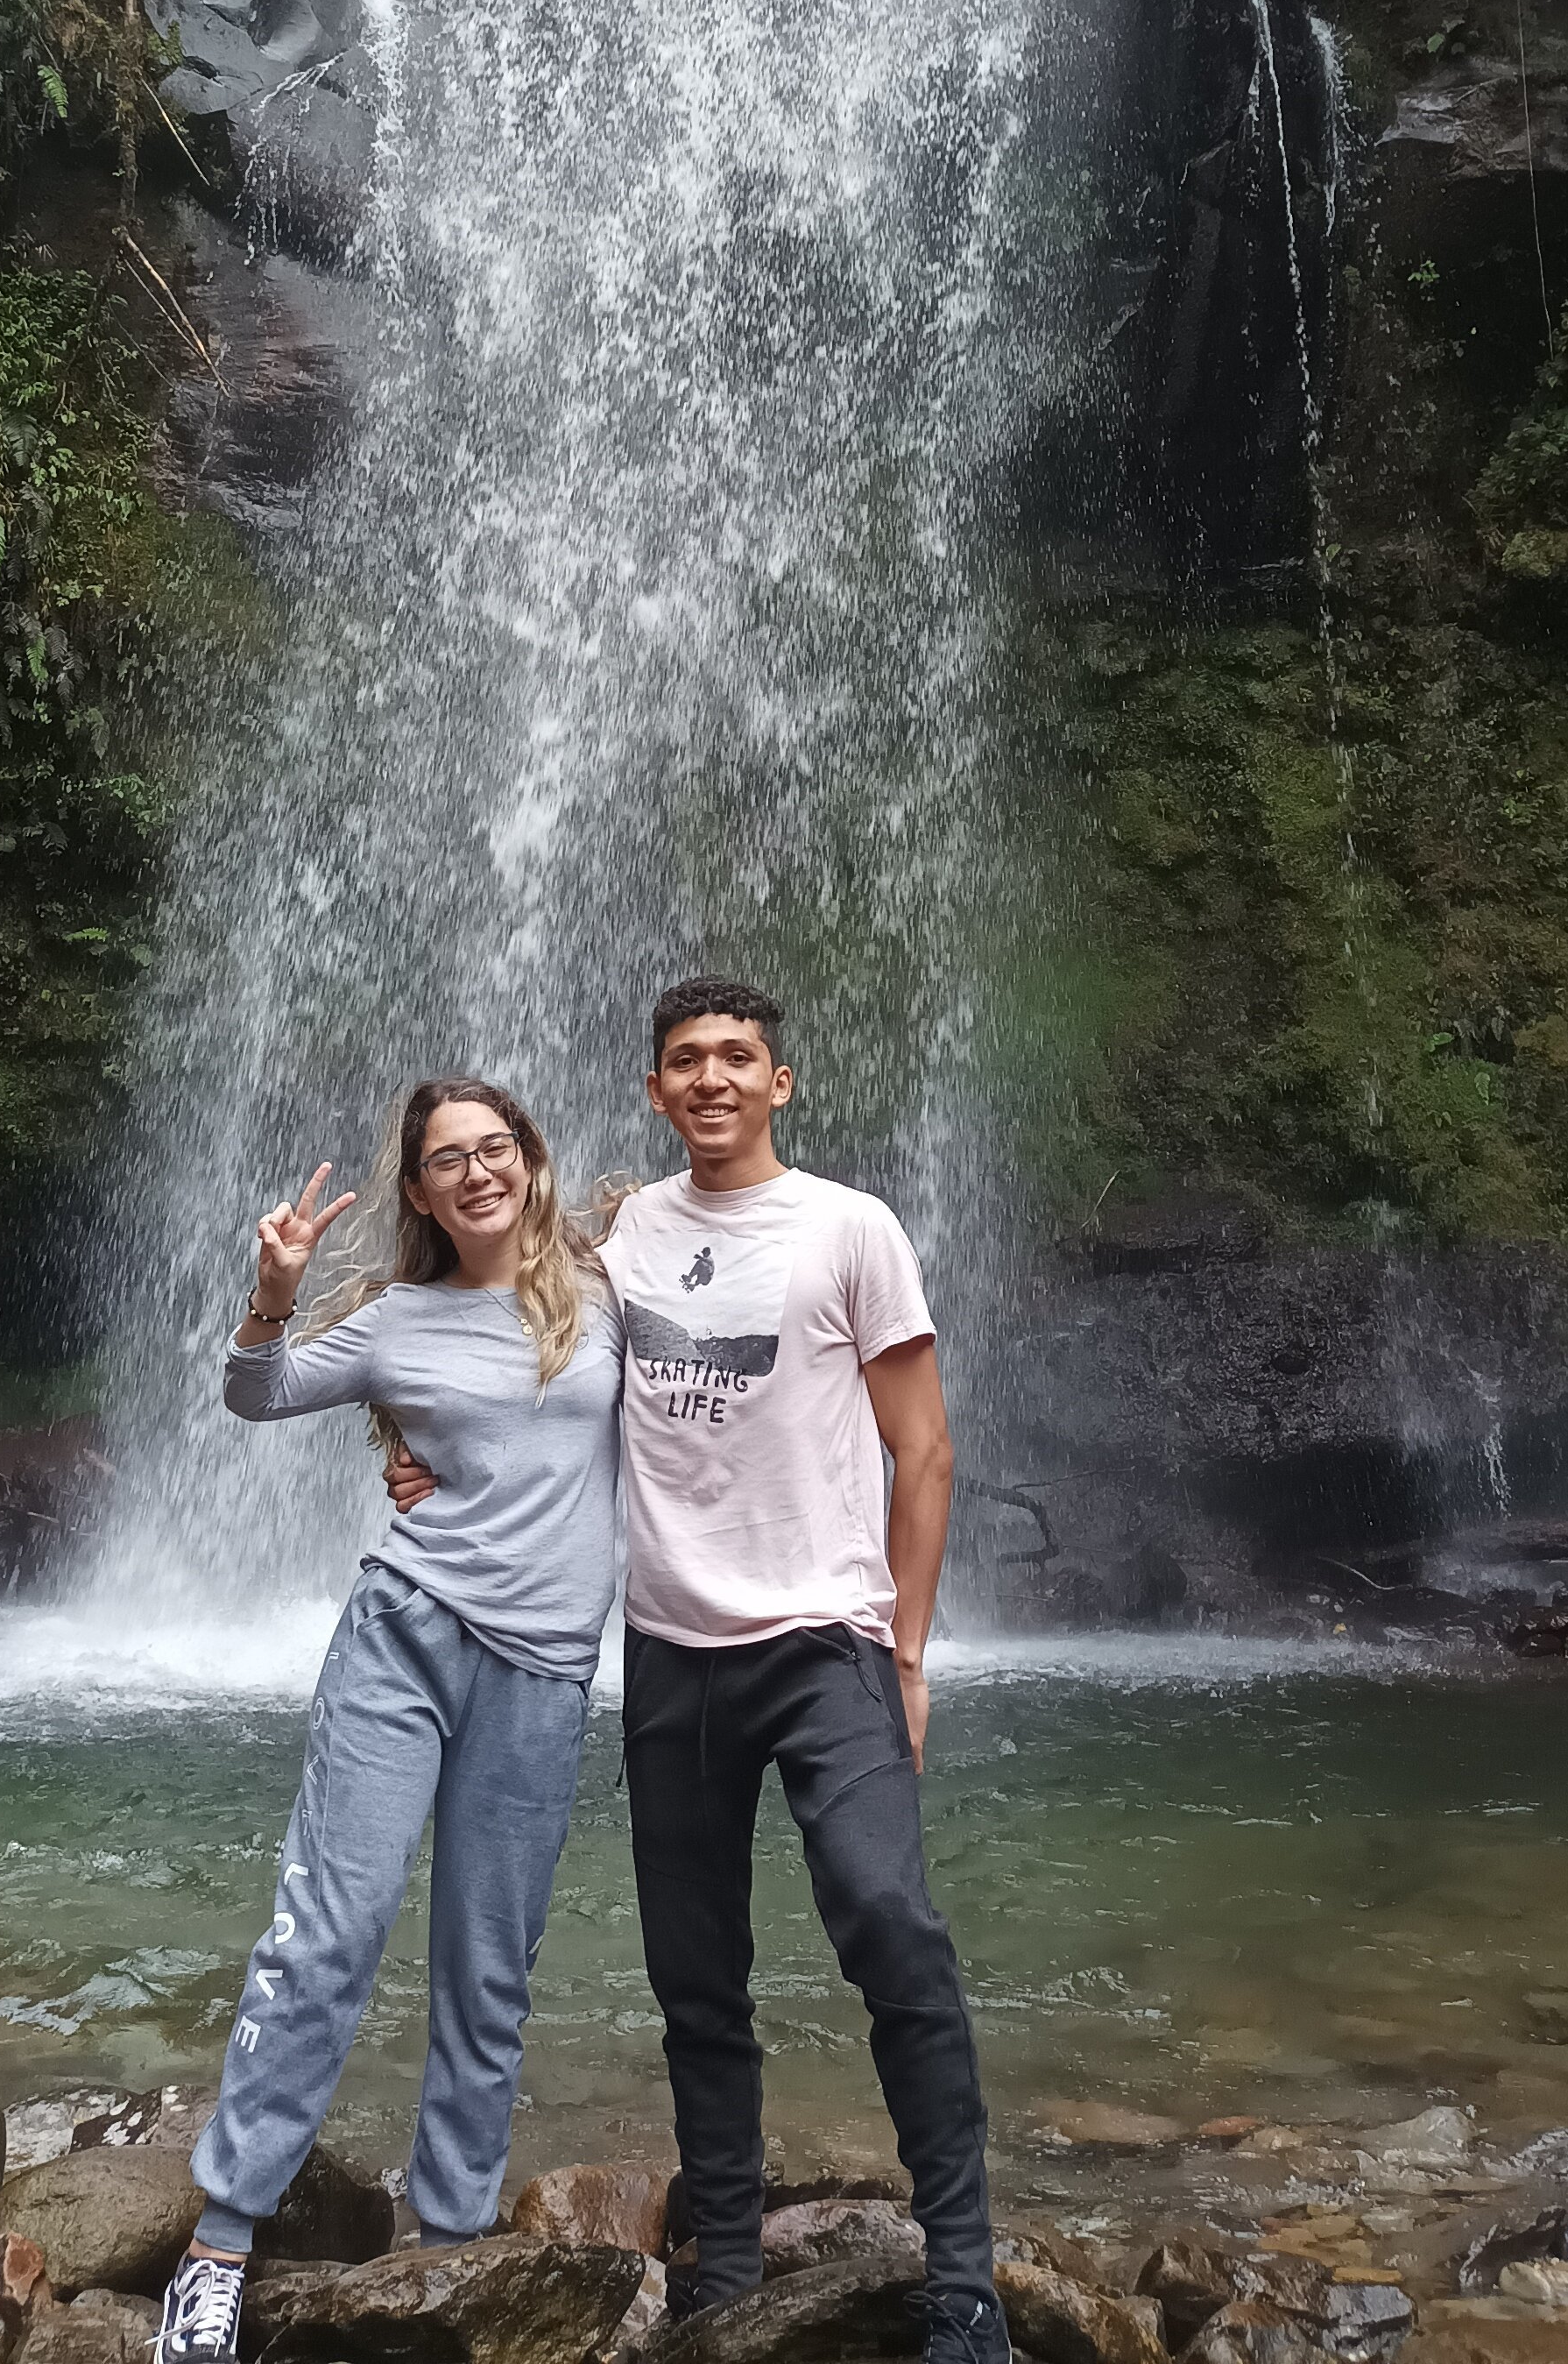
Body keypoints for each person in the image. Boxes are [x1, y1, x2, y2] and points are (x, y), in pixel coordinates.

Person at [388, 977, 1008, 2364]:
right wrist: (410, 1433)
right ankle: (725, 2254)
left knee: (889, 1925)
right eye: (687, 1061)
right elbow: (489, 1325)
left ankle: (962, 2271)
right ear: (655, 1092)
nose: (713, 1077)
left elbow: (926, 1447)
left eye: (739, 1057)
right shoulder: (616, 1240)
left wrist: (907, 1654)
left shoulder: (853, 1229)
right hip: (670, 1651)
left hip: (828, 1642)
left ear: (780, 1083)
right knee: (695, 1972)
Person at [153, 1078, 623, 2364]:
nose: (475, 1172)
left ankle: (456, 2240)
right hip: (404, 1639)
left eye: (495, 1148)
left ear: (529, 1162)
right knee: (330, 1935)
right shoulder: (390, 1320)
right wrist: (273, 1289)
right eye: (445, 1159)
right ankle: (222, 2239)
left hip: (540, 1675)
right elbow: (256, 1396)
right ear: (417, 1191)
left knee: (490, 1967)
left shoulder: (612, 1290)